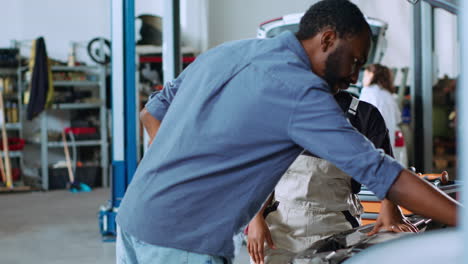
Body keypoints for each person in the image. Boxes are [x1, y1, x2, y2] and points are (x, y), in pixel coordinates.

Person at [116, 0, 458, 263]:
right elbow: (382, 173)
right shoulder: (300, 91)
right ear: (327, 40)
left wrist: (180, 173)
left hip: (135, 219)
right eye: (355, 61)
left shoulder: (228, 53)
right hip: (183, 241)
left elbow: (151, 112)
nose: (355, 77)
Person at [247, 91, 417, 264]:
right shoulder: (279, 112)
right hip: (278, 231)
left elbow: (387, 177)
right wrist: (255, 218)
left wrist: (391, 208)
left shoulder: (364, 116)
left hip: (336, 230)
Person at [360, 64, 402, 148]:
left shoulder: (367, 91)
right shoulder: (390, 96)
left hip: (371, 144)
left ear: (371, 75)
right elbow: (398, 119)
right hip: (388, 145)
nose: (362, 80)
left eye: (365, 75)